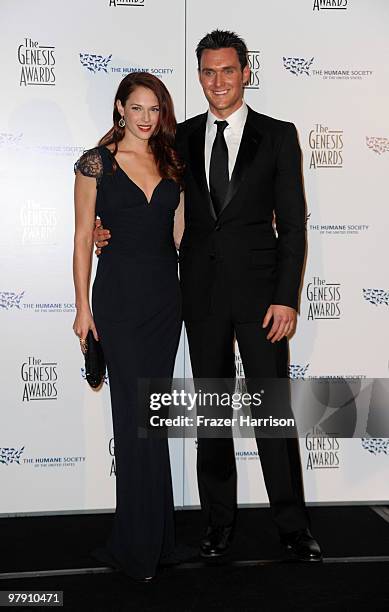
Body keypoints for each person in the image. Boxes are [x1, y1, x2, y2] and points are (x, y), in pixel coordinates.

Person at [95, 30, 322, 562]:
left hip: (264, 300)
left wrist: (286, 297)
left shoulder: (279, 135)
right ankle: (218, 525)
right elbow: (129, 181)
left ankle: (292, 525)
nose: (217, 81)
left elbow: (292, 226)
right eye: (207, 72)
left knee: (271, 413)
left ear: (246, 72)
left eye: (227, 70)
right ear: (199, 76)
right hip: (198, 298)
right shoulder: (177, 139)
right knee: (214, 419)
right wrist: (106, 229)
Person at [72, 72, 184, 581]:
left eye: (154, 109)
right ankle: (136, 546)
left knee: (151, 419)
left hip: (166, 302)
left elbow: (180, 235)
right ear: (120, 108)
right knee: (131, 419)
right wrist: (82, 308)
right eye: (136, 108)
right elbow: (80, 238)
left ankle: (156, 540)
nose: (145, 118)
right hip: (117, 301)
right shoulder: (96, 163)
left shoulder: (170, 161)